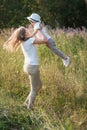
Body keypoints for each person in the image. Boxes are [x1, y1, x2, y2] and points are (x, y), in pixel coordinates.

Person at [3, 26, 47, 109]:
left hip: (27, 66)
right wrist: (40, 31)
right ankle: (30, 108)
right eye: (27, 30)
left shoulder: (24, 41)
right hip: (33, 67)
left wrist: (36, 31)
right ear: (25, 34)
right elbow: (45, 40)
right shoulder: (30, 41)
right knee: (34, 89)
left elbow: (34, 39)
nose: (29, 31)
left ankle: (25, 104)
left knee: (39, 85)